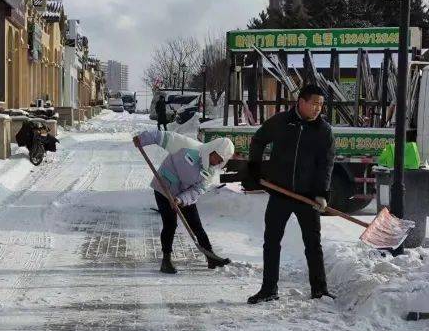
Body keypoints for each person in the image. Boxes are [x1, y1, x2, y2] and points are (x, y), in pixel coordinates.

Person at [247, 84, 335, 303]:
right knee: (272, 242)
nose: (318, 109)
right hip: (280, 194)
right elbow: (258, 140)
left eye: (321, 105)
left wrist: (322, 193)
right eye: (314, 103)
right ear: (301, 101)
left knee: (313, 244)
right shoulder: (281, 122)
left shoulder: (324, 132)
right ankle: (269, 289)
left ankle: (319, 289)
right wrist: (254, 168)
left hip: (307, 197)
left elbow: (327, 165)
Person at [133, 129, 235, 274]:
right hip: (164, 189)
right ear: (212, 149)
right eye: (216, 157)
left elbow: (197, 191)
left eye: (220, 161)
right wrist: (142, 139)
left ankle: (210, 256)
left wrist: (181, 200)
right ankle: (166, 260)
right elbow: (162, 136)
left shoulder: (210, 173)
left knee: (196, 225)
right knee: (170, 224)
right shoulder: (189, 146)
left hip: (183, 196)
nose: (216, 162)